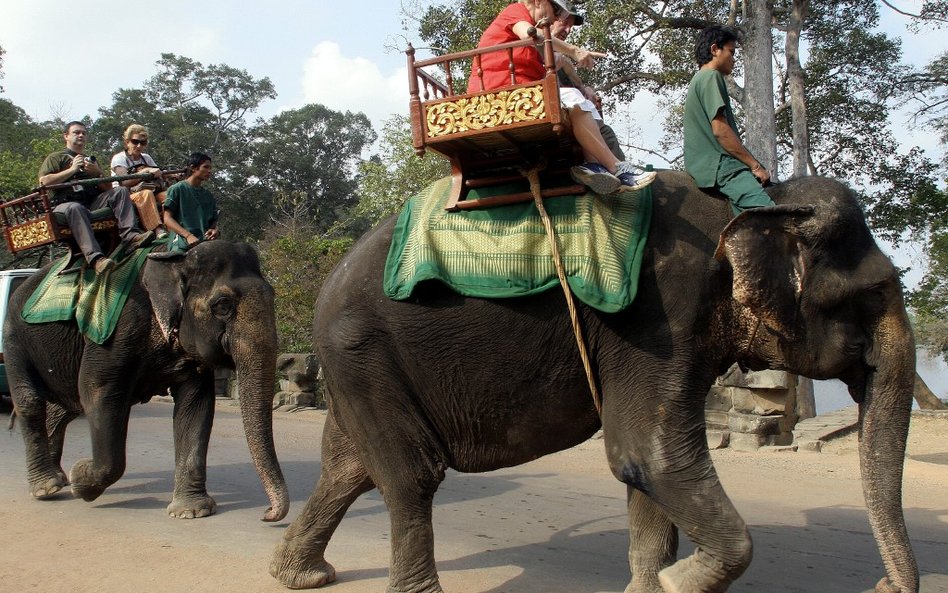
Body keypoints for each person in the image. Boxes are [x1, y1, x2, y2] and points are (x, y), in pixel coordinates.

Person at [468, 0, 655, 194]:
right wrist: (574, 50)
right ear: (538, 1)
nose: (557, 18)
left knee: (585, 105)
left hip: (518, 93)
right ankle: (616, 166)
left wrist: (579, 79)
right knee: (571, 97)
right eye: (556, 10)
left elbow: (554, 58)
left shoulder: (528, 31)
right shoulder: (515, 12)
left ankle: (593, 165)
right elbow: (532, 34)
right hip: (501, 96)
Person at [38, 121, 153, 274]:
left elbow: (108, 188)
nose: (81, 135)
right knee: (75, 208)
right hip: (65, 205)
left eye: (84, 133)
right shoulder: (56, 158)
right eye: (76, 132)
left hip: (91, 202)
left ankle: (131, 236)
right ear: (66, 136)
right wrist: (72, 170)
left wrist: (97, 173)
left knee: (121, 191)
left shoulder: (90, 160)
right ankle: (96, 259)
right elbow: (43, 182)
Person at [683, 25, 775, 215]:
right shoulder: (710, 77)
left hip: (710, 164)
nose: (734, 60)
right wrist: (755, 166)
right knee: (773, 217)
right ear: (715, 49)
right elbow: (720, 131)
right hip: (720, 165)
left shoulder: (699, 79)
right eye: (731, 52)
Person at [550, 12, 625, 161]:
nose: (568, 30)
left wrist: (585, 88)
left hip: (569, 108)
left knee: (605, 132)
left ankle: (611, 171)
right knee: (601, 131)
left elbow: (572, 79)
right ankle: (609, 169)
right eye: (564, 23)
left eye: (571, 27)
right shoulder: (533, 42)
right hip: (543, 105)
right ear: (550, 19)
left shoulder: (560, 55)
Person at [111, 124, 168, 238]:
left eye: (143, 143)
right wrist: (146, 171)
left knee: (169, 195)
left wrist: (167, 175)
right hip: (125, 197)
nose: (138, 146)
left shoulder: (146, 158)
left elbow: (157, 174)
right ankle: (157, 229)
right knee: (146, 194)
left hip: (150, 190)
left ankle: (174, 225)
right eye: (135, 142)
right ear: (127, 142)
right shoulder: (120, 158)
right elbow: (125, 181)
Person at [162, 152, 219, 252]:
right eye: (205, 167)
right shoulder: (177, 189)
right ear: (193, 168)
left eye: (210, 168)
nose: (209, 171)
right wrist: (188, 236)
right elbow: (167, 219)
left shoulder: (208, 195)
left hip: (205, 242)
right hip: (182, 241)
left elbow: (213, 222)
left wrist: (215, 230)